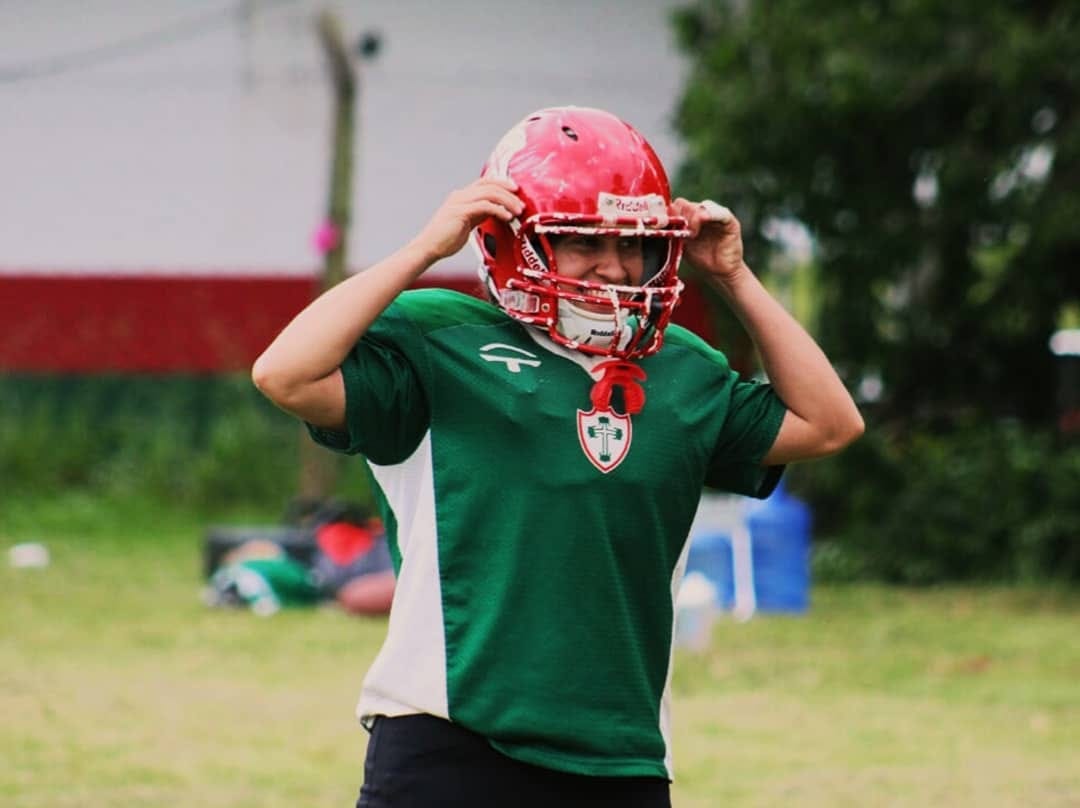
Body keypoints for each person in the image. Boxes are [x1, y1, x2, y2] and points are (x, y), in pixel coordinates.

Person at [252, 106, 863, 807]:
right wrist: (423, 249)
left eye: (632, 243)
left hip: (620, 755)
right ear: (510, 242)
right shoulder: (440, 342)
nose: (615, 266)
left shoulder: (681, 370)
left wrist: (736, 278)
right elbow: (284, 374)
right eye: (583, 240)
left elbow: (829, 423)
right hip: (449, 743)